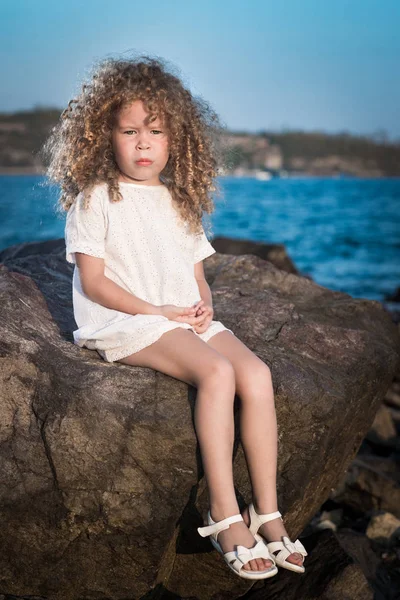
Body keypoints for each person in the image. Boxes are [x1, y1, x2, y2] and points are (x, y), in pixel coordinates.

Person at [43, 55, 307, 580]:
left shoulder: (180, 202)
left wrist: (202, 302)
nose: (144, 143)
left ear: (176, 140)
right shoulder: (95, 199)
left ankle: (268, 512)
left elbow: (195, 273)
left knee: (256, 374)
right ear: (104, 136)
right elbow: (95, 283)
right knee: (218, 373)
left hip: (181, 315)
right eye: (130, 130)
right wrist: (158, 310)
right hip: (126, 320)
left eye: (156, 131)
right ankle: (224, 513)